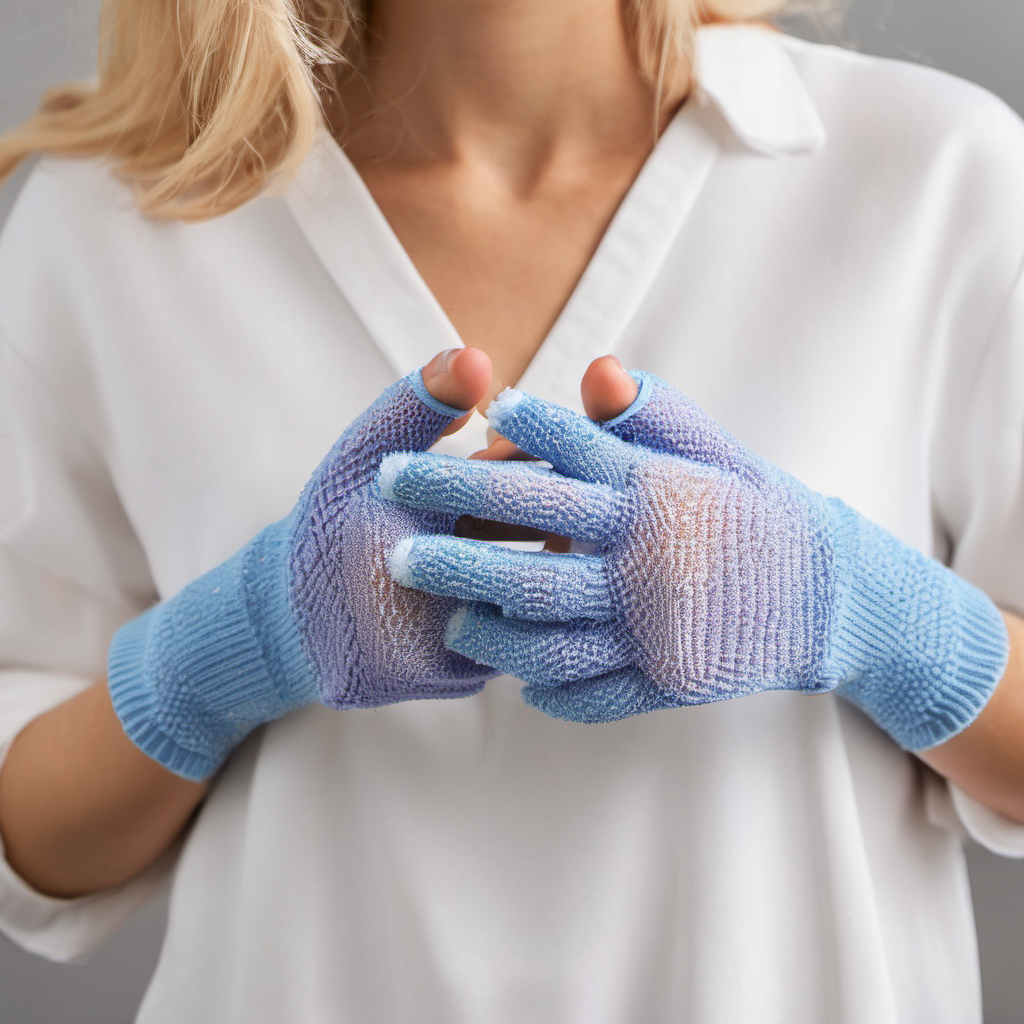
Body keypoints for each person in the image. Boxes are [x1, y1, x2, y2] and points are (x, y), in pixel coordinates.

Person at [1, 0, 1023, 1020]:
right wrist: (241, 641)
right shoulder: (114, 219)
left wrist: (854, 606)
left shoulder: (938, 170)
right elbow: (31, 845)